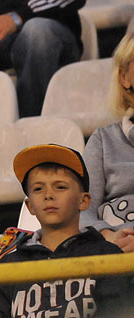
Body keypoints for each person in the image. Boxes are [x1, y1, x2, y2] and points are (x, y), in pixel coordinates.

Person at [0, 144, 130, 317]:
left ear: (84, 201)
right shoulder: (9, 265)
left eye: (60, 187)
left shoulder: (106, 255)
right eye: (38, 189)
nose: (48, 195)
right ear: (30, 206)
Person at [81, 33, 134, 253]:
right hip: (111, 250)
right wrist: (109, 237)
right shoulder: (103, 140)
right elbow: (81, 209)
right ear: (124, 78)